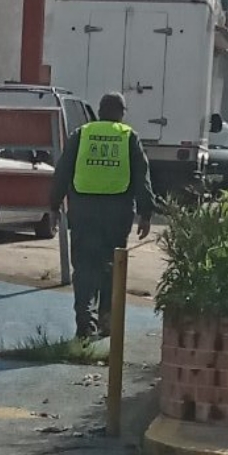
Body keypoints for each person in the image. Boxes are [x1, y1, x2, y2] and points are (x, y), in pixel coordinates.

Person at [63, 92, 153, 341]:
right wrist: (146, 214)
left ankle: (84, 322)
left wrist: (52, 203)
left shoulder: (81, 134)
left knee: (83, 268)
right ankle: (106, 319)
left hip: (84, 211)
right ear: (121, 112)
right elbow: (141, 177)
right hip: (117, 213)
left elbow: (63, 169)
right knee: (111, 267)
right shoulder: (128, 137)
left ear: (100, 111)